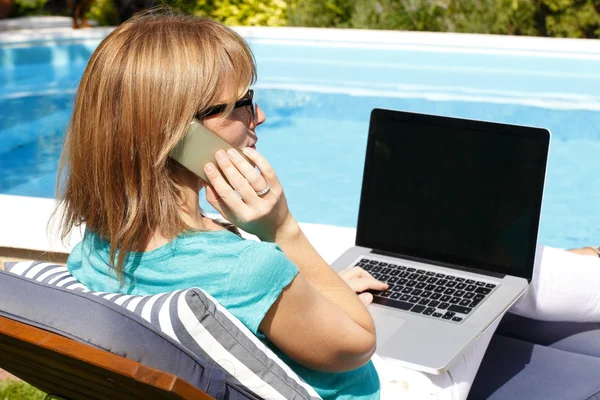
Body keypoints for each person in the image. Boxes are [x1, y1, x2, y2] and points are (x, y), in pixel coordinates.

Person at [53, 10, 600, 400]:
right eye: (241, 103)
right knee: (491, 273)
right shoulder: (248, 265)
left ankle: (581, 261)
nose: (258, 117)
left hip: (304, 333)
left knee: (491, 276)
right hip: (396, 387)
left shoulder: (99, 247)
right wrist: (282, 230)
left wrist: (315, 290)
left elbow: (250, 302)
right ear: (176, 133)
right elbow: (358, 345)